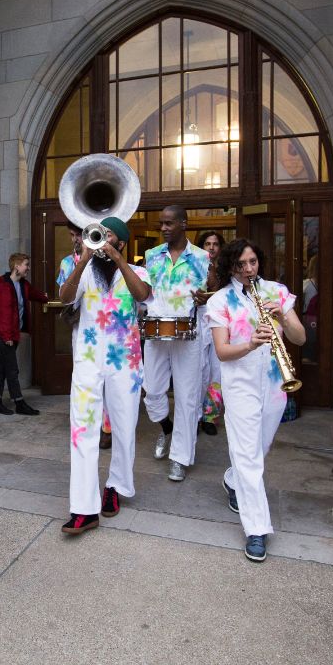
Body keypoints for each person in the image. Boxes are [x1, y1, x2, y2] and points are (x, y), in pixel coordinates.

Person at [206, 238, 305, 563]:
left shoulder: (276, 290)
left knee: (256, 451)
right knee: (248, 457)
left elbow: (300, 337)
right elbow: (222, 351)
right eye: (241, 264)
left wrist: (285, 317)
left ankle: (232, 480)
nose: (249, 269)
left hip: (275, 384)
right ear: (230, 267)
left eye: (253, 262)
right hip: (240, 386)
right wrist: (249, 344)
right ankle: (256, 529)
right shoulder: (219, 301)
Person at [58, 216, 151, 534]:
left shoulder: (137, 271)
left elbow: (142, 295)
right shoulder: (85, 270)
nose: (101, 241)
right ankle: (84, 508)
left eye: (108, 237)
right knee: (81, 430)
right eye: (99, 235)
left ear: (121, 243)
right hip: (87, 359)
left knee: (124, 428)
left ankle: (117, 486)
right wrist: (84, 259)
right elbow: (65, 296)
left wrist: (118, 261)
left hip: (125, 363)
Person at [143, 206, 211, 482]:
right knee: (152, 391)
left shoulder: (202, 257)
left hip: (188, 333)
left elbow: (212, 291)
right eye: (162, 224)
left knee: (187, 397)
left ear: (184, 223)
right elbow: (144, 292)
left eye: (169, 223)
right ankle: (166, 429)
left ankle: (180, 458)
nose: (164, 228)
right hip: (156, 331)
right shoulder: (151, 255)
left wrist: (206, 297)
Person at [56, 222, 114, 450]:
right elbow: (64, 294)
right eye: (71, 235)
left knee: (108, 377)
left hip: (105, 326)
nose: (74, 240)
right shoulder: (67, 263)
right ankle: (87, 421)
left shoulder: (103, 258)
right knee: (83, 375)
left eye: (77, 235)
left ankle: (107, 427)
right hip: (81, 325)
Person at [0, 253, 48, 415]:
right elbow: (3, 315)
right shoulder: (3, 286)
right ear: (16, 266)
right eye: (26, 265)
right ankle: (19, 403)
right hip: (3, 336)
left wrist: (46, 299)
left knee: (2, 368)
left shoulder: (23, 285)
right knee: (12, 370)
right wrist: (7, 337)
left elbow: (34, 294)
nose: (28, 268)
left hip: (12, 334)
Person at [196, 231, 226, 436]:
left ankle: (210, 416)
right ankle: (194, 416)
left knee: (216, 371)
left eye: (215, 244)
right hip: (198, 318)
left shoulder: (227, 269)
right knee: (197, 369)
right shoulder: (194, 264)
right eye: (208, 243)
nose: (212, 247)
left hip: (220, 320)